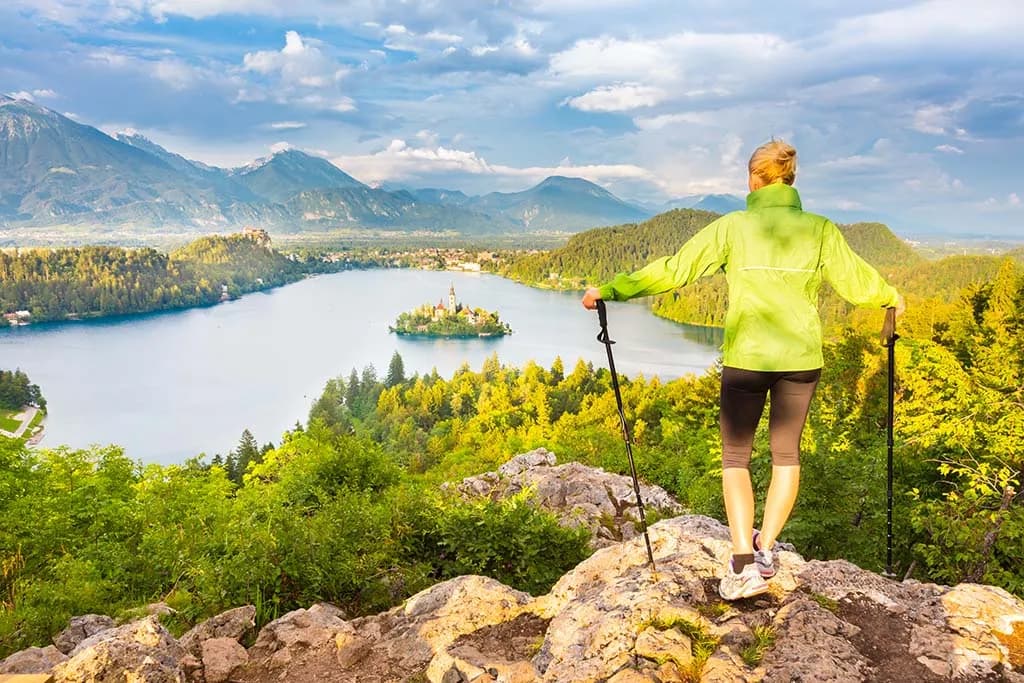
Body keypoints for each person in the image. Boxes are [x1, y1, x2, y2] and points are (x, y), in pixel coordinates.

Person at [581, 140, 904, 600]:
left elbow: (675, 270)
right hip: (800, 360)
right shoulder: (820, 230)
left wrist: (610, 289)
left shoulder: (733, 227)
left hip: (747, 359)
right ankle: (766, 548)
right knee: (786, 457)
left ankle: (741, 563)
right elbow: (858, 283)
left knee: (736, 458)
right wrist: (891, 295)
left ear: (753, 179)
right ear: (791, 179)